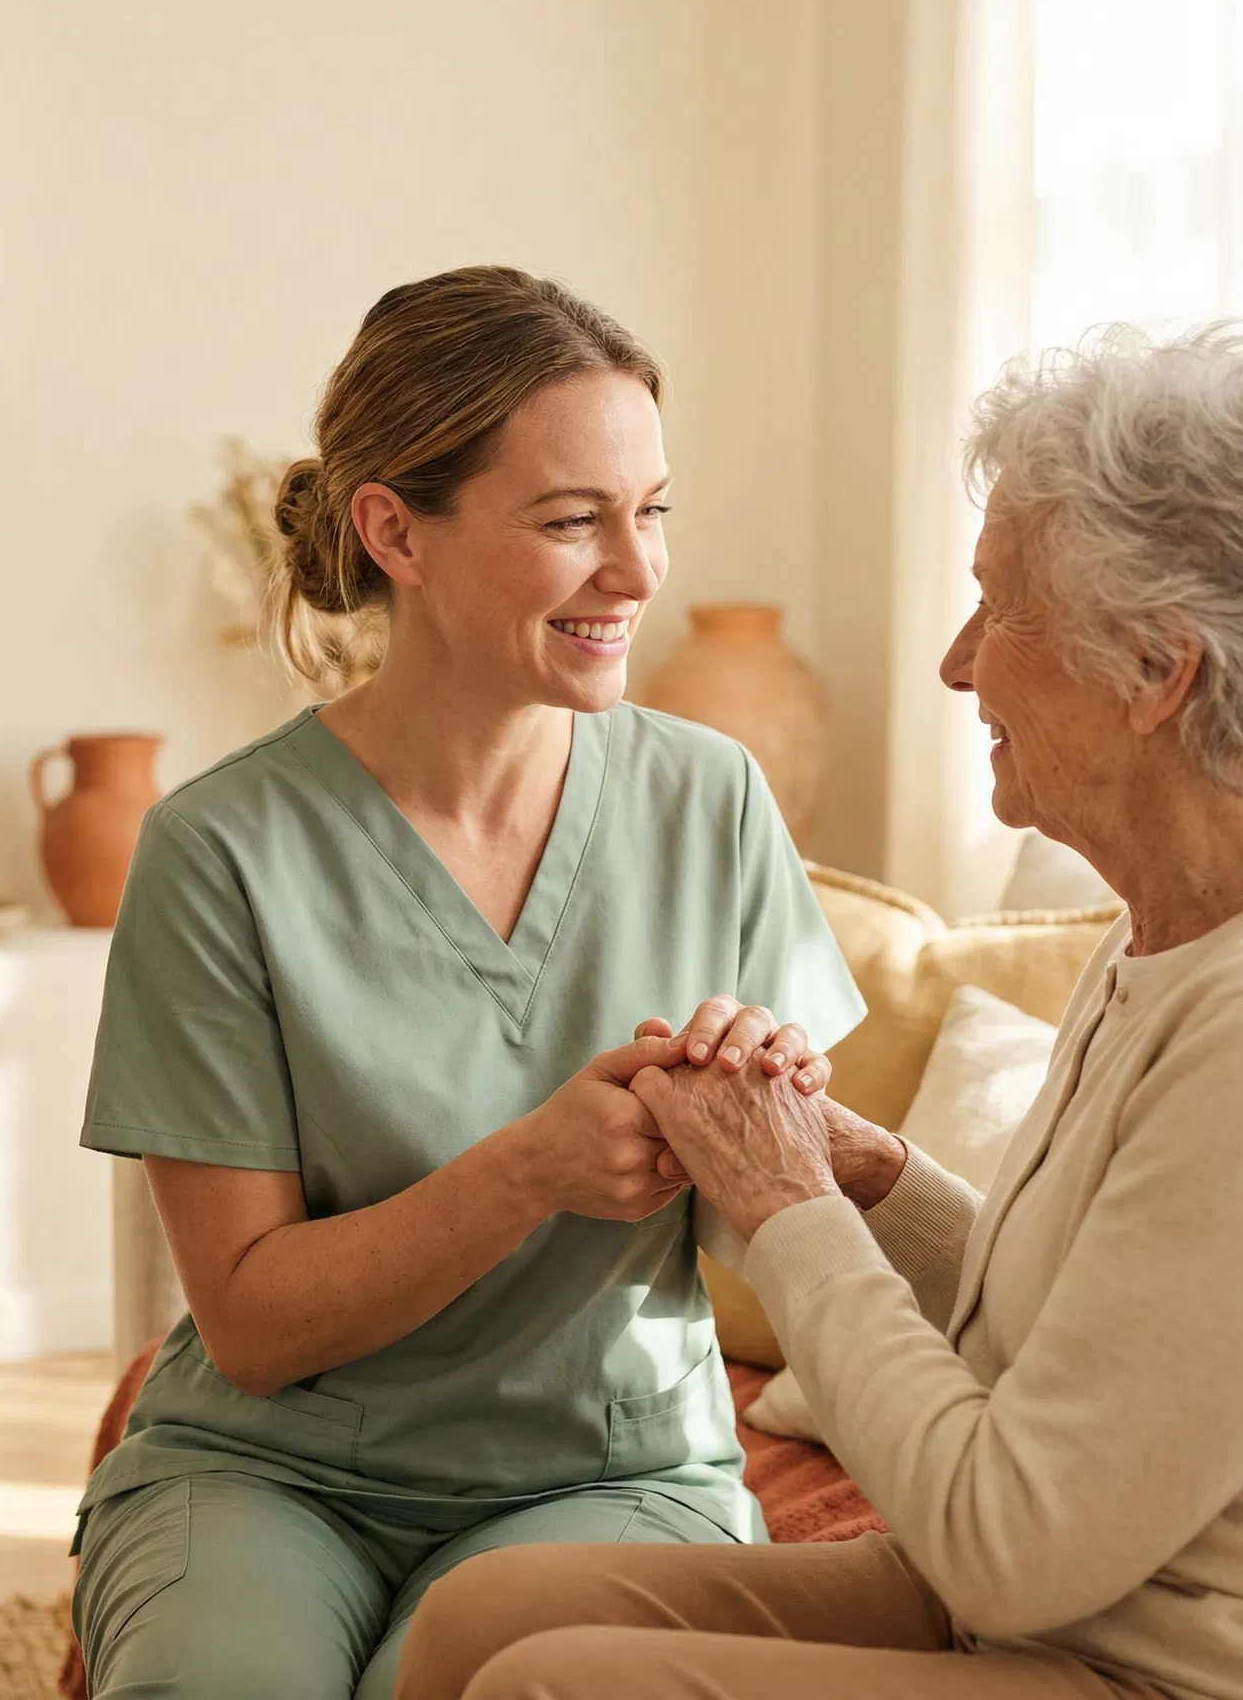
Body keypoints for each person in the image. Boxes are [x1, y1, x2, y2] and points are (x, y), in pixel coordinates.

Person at [399, 322, 1243, 1700]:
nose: (958, 664)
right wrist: (864, 1173)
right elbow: (1096, 1339)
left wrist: (784, 1206)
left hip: (1170, 1665)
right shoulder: (1176, 929)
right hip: (1060, 1609)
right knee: (482, 1618)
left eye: (998, 605)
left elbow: (1010, 1548)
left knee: (547, 1687)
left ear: (1158, 668)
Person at [71, 266, 864, 1698]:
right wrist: (527, 1171)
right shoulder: (218, 850)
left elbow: (781, 1232)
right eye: (570, 521)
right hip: (269, 1472)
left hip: (609, 1470)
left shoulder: (713, 800)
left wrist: (759, 1123)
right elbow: (248, 1323)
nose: (637, 571)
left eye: (651, 510)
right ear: (395, 531)